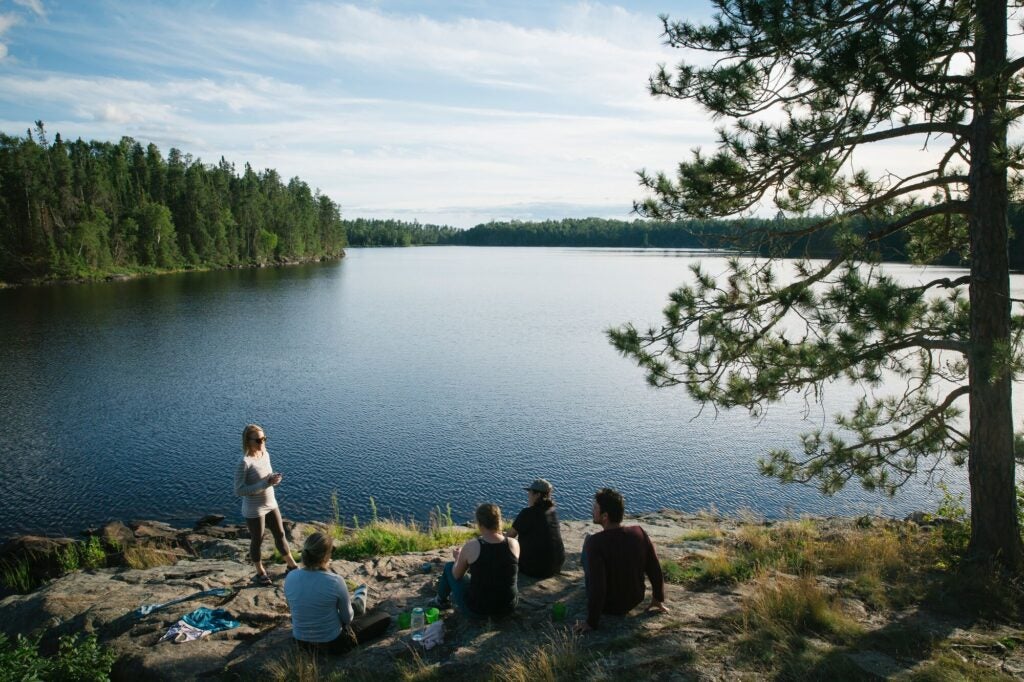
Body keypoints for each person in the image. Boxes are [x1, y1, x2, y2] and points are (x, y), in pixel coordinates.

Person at [578, 488, 668, 632]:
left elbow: (598, 587)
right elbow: (654, 567)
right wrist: (658, 598)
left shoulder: (595, 543)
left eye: (595, 507)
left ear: (605, 516)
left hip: (609, 607)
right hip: (635, 599)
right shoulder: (639, 532)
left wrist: (591, 622)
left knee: (588, 542)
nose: (592, 510)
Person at [284, 532, 390, 654]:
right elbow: (348, 618)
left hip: (301, 643)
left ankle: (358, 601)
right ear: (326, 556)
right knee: (383, 617)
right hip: (333, 644)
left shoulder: (291, 577)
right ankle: (359, 600)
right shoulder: (334, 581)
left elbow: (292, 608)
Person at [234, 424, 299, 585]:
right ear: (248, 441)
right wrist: (265, 484)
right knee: (258, 539)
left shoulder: (265, 454)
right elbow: (239, 490)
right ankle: (260, 572)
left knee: (281, 534)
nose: (262, 442)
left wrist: (274, 480)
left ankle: (292, 565)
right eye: (258, 439)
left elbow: (267, 477)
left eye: (264, 438)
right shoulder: (244, 462)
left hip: (271, 503)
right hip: (254, 508)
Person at [433, 503, 519, 616]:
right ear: (499, 521)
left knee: (449, 567)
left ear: (480, 524)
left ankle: (440, 601)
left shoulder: (472, 546)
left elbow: (456, 575)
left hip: (478, 610)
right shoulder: (514, 544)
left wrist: (458, 558)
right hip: (508, 607)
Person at [506, 478, 565, 579]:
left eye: (530, 492)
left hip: (534, 569)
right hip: (556, 565)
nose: (528, 495)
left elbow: (509, 536)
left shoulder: (527, 513)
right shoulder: (552, 511)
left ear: (537, 495)